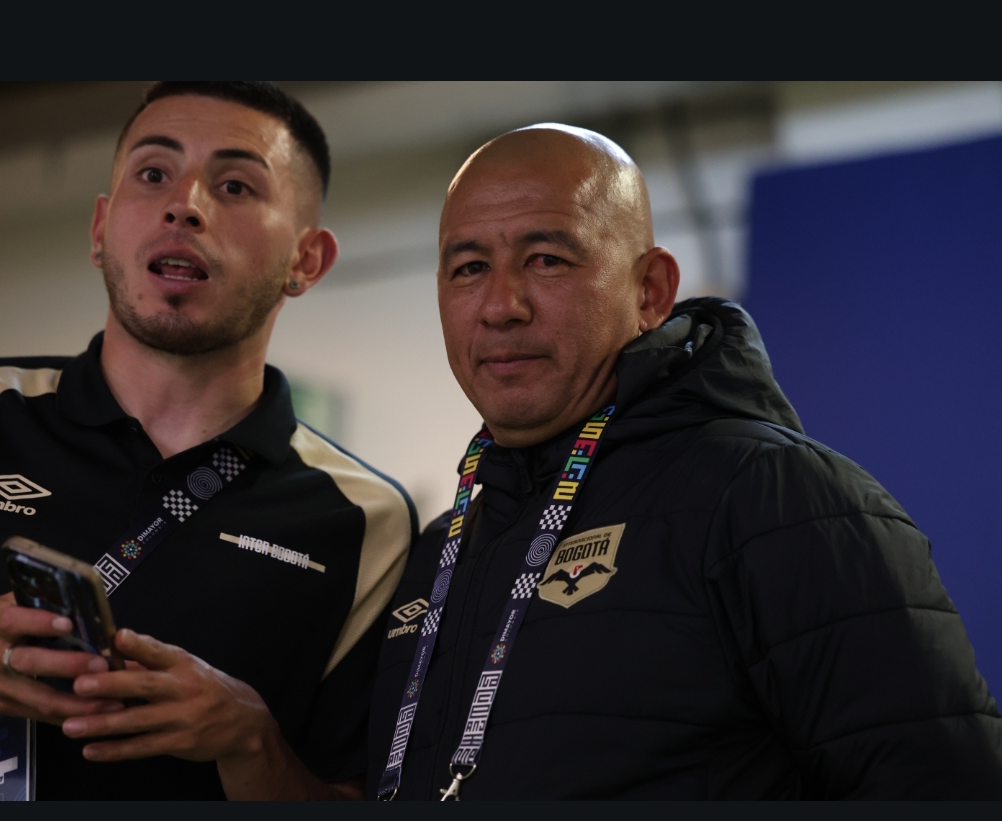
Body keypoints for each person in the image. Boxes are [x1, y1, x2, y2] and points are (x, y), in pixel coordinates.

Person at [363, 124, 1002, 799]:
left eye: (546, 259)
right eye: (468, 269)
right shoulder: (437, 552)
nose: (501, 305)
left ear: (651, 291)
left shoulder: (774, 499)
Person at [0, 81, 415, 800]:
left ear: (306, 261)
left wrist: (254, 742)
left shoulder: (367, 521)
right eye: (153, 174)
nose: (184, 203)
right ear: (100, 228)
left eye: (237, 185)